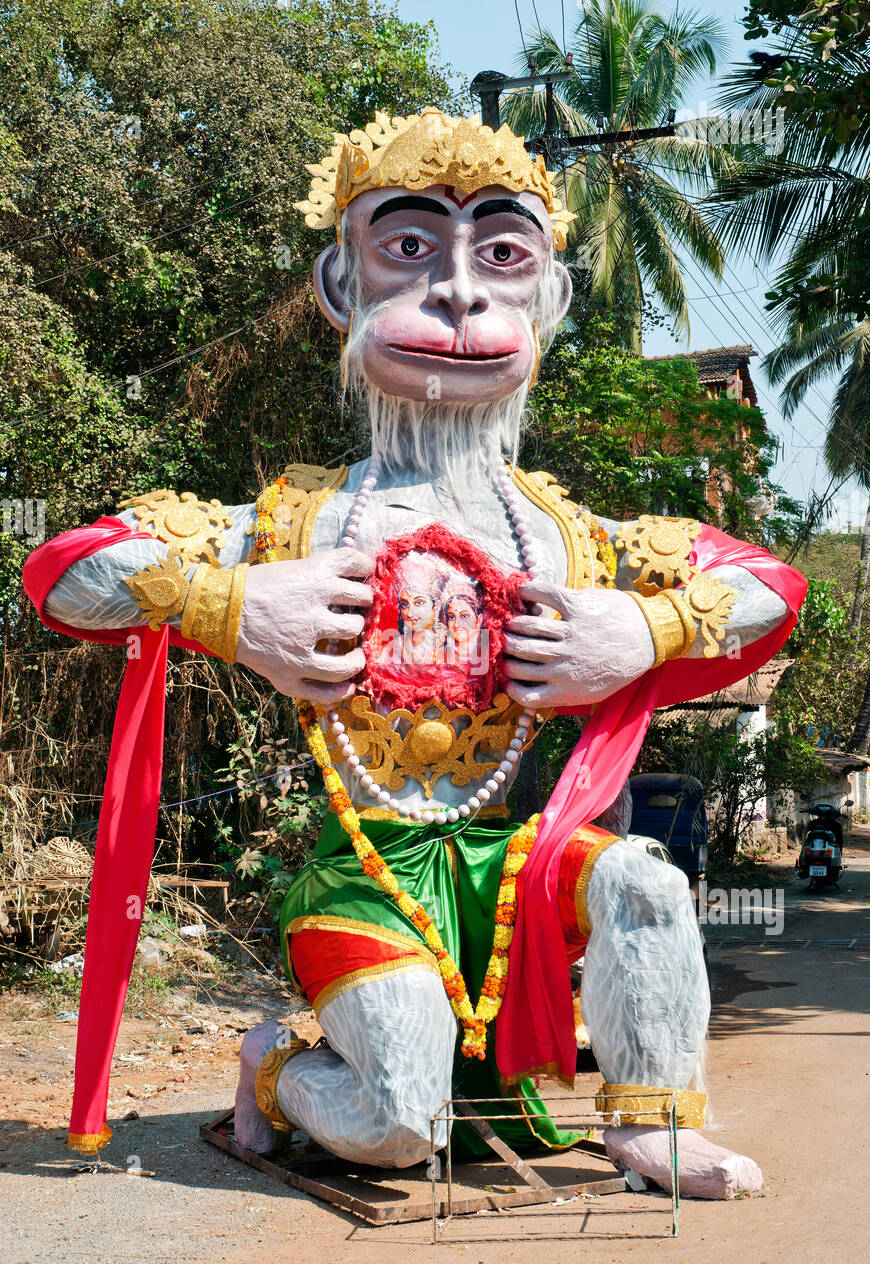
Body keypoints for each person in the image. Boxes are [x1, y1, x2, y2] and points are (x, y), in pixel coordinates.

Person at [24, 110, 806, 1186]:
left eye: (502, 254)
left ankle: (650, 1124)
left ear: (548, 298)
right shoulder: (291, 522)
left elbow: (770, 586)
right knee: (398, 1124)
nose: (459, 291)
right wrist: (224, 605)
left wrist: (645, 626)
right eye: (407, 249)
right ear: (342, 288)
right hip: (361, 874)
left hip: (507, 860)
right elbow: (64, 570)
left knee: (648, 883)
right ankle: (277, 1063)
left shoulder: (574, 538)